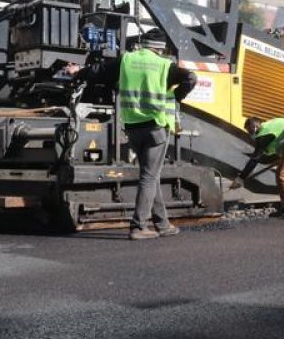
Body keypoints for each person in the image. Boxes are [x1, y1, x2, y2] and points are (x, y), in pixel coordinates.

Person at [65, 29, 197, 240]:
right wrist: (175, 96)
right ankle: (138, 226)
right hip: (156, 127)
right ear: (160, 48)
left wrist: (78, 71)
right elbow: (191, 77)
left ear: (142, 44)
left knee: (150, 175)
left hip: (133, 127)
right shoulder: (164, 65)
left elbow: (98, 71)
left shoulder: (126, 60)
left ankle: (162, 224)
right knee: (149, 176)